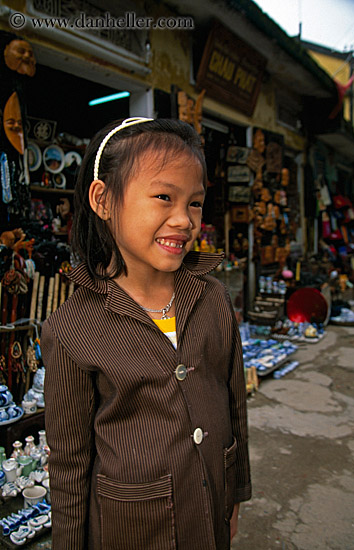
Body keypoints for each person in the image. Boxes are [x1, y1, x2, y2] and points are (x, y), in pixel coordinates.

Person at [41, 117, 251, 550]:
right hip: (130, 527)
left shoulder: (212, 299)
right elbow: (70, 463)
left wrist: (233, 497)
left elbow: (234, 407)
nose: (184, 220)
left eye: (194, 203)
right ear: (103, 199)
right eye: (163, 197)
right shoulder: (71, 328)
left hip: (210, 508)